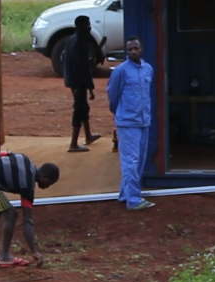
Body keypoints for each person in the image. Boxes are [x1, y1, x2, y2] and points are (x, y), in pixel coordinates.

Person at [0, 152, 59, 267]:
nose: (47, 187)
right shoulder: (27, 185)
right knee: (11, 214)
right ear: (44, 176)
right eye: (49, 183)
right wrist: (34, 251)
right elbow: (27, 221)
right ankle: (5, 256)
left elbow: (1, 155)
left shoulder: (25, 159)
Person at [107, 35, 155, 210]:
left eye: (136, 48)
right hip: (128, 123)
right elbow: (113, 96)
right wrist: (121, 114)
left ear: (141, 49)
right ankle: (134, 200)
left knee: (139, 160)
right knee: (131, 161)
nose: (133, 52)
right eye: (130, 49)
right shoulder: (120, 71)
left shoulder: (148, 69)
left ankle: (125, 194)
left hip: (144, 121)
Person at [62, 15, 105, 152]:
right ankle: (73, 144)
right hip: (77, 81)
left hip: (73, 79)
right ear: (81, 26)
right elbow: (83, 69)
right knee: (79, 109)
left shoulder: (72, 39)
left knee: (84, 107)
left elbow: (70, 61)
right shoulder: (80, 44)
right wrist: (90, 89)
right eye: (87, 25)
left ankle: (88, 136)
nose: (89, 27)